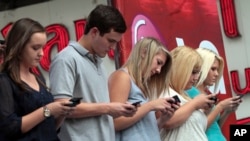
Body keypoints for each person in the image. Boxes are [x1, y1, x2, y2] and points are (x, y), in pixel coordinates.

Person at [49, 4, 137, 141]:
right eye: (110, 41)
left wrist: (118, 109)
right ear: (94, 32)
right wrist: (108, 108)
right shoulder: (66, 59)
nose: (113, 47)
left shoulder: (99, 63)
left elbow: (100, 108)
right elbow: (61, 107)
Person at [0, 18, 73, 141]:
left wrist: (61, 114)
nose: (42, 54)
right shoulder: (5, 80)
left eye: (43, 48)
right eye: (35, 48)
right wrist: (48, 110)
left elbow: (48, 128)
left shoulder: (38, 78)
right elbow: (9, 127)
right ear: (19, 47)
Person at [108, 37, 178, 141]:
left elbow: (143, 132)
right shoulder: (122, 77)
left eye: (162, 66)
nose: (159, 70)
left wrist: (163, 119)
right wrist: (151, 105)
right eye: (158, 62)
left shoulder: (142, 85)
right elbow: (114, 123)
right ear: (144, 53)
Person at [160, 46, 216, 141]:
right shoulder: (163, 91)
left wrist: (205, 110)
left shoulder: (184, 96)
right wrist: (195, 104)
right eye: (193, 72)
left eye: (198, 73)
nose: (196, 77)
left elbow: (194, 130)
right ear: (179, 69)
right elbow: (167, 121)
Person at [186, 47, 242, 141]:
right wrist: (220, 106)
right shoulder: (191, 92)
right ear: (202, 68)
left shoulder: (205, 93)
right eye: (213, 69)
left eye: (217, 70)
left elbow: (214, 127)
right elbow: (198, 128)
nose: (216, 74)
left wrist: (227, 111)